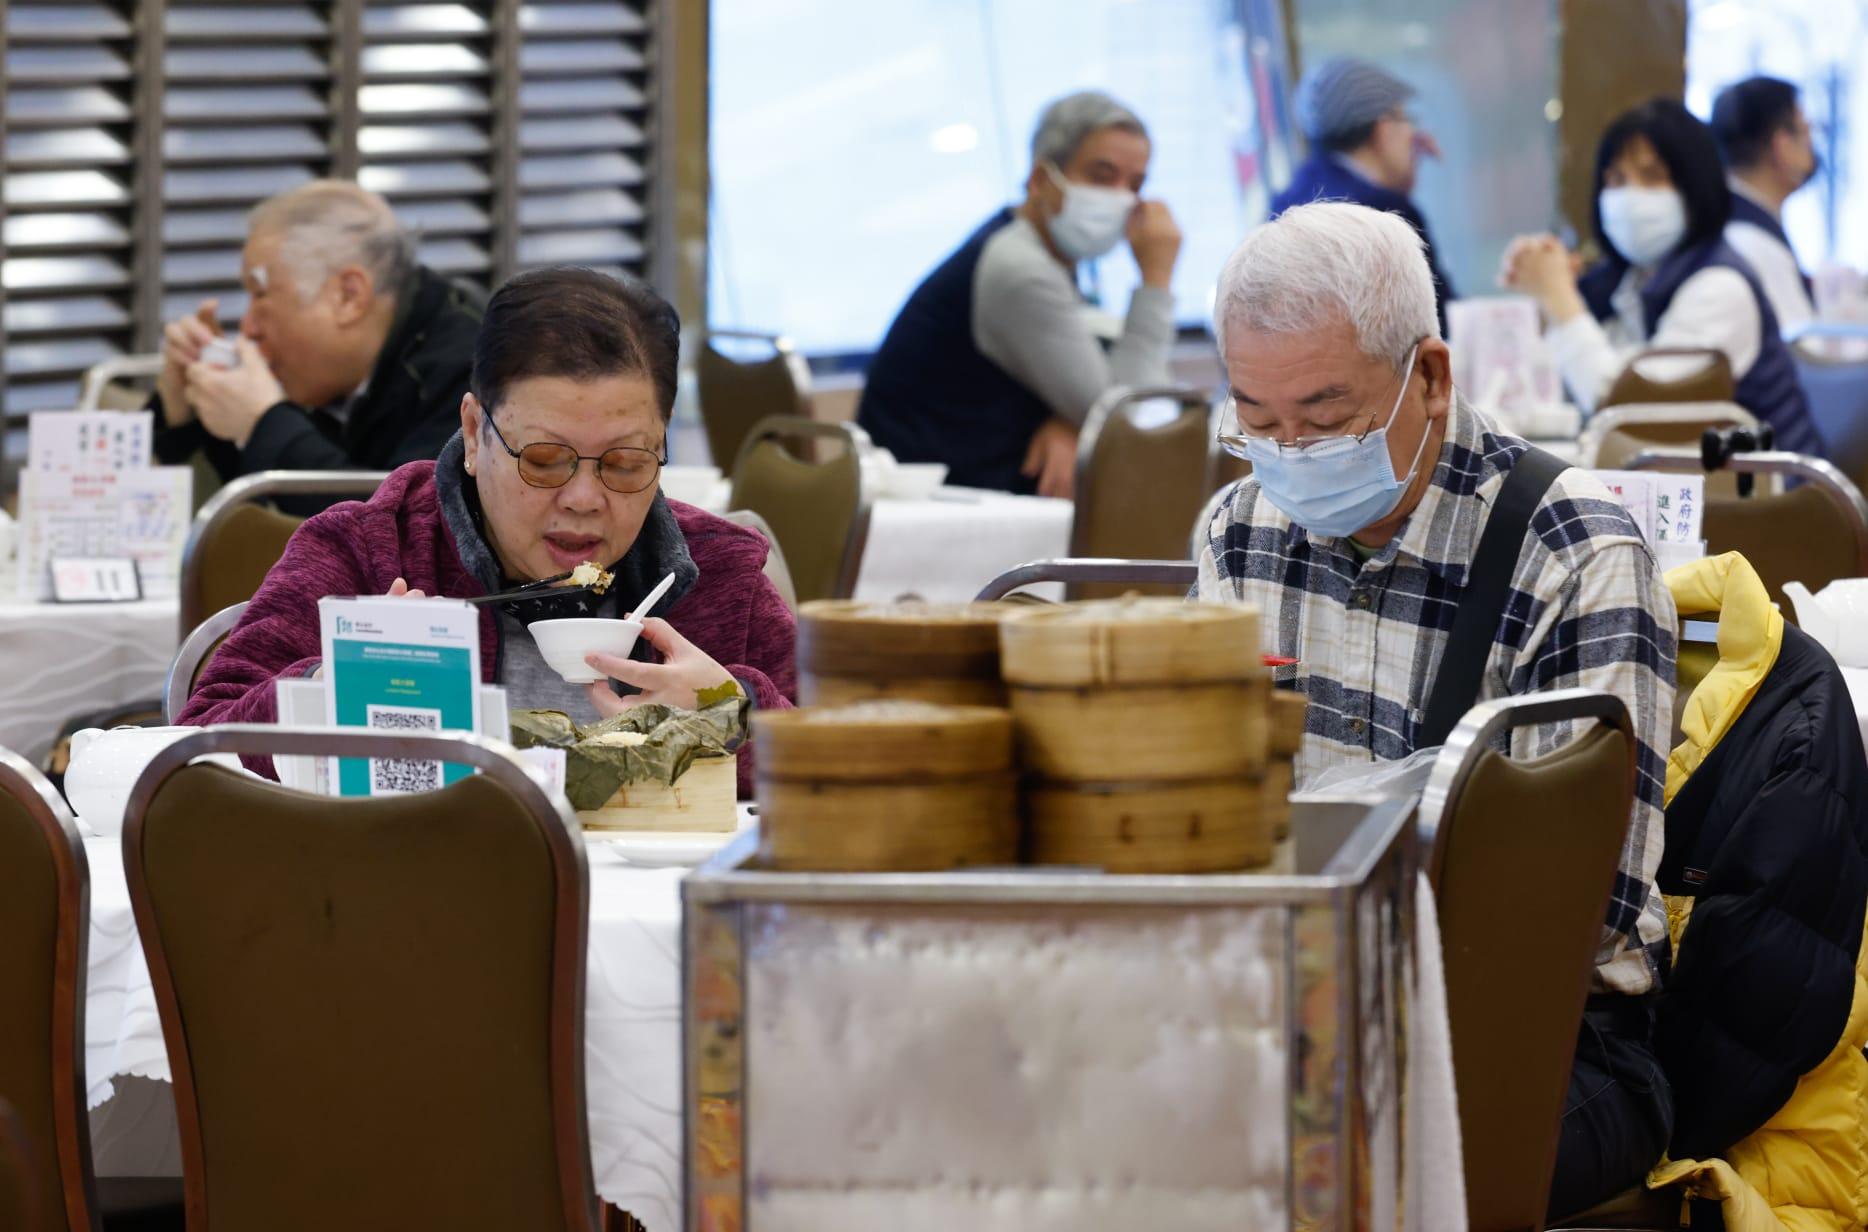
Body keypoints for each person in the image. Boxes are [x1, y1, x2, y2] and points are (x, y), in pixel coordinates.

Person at [1197, 201, 1676, 1217]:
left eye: (1325, 418)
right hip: (1296, 993)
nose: (1291, 454)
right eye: (1259, 421)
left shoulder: (1572, 552)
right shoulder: (1239, 529)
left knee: (1314, 1172)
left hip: (1534, 1031)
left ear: (1429, 375)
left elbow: (1578, 913)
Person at [178, 267, 797, 796]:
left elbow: (838, 761)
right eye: (544, 461)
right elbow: (193, 747)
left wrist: (733, 713)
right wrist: (329, 692)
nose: (584, 499)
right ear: (475, 434)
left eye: (626, 463)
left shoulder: (718, 572)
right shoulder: (369, 551)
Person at [857, 90, 1182, 497]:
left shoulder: (1039, 250)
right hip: (929, 502)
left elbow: (1101, 402)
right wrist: (1156, 279)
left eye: (1135, 185)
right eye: (1102, 177)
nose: (1123, 199)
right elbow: (1131, 417)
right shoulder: (1020, 268)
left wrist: (1071, 417)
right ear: (1041, 180)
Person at [1502, 98, 1822, 456]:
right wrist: (1547, 301)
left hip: (1766, 486)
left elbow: (1626, 411)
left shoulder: (1721, 287)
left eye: (1652, 177)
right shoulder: (1628, 281)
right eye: (1617, 179)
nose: (1629, 197)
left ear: (1694, 185)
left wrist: (1560, 300)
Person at [153, 180, 483, 511]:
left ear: (348, 296)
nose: (247, 327)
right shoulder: (327, 374)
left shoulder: (472, 368)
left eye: (260, 294)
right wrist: (186, 416)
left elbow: (401, 525)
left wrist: (265, 424)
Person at [1273, 57, 1454, 322]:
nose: (1413, 135)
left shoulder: (1285, 205)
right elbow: (1440, 325)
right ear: (1383, 127)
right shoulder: (1386, 214)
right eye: (1406, 118)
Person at [1710, 76, 1821, 333]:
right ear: (1782, 145)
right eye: (1806, 131)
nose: (1812, 146)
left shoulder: (1726, 221)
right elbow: (1802, 348)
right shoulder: (1753, 242)